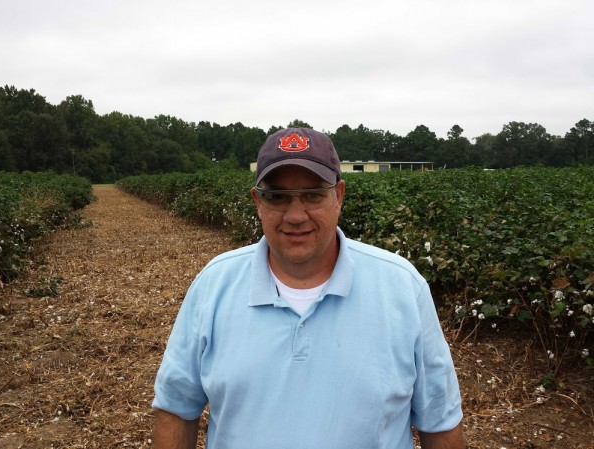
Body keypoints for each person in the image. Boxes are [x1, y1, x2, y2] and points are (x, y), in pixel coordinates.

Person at [151, 127, 465, 449]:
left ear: (339, 196)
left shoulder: (402, 287)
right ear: (257, 201)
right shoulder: (213, 286)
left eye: (314, 194)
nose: (296, 215)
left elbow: (439, 424)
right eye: (277, 196)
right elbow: (175, 410)